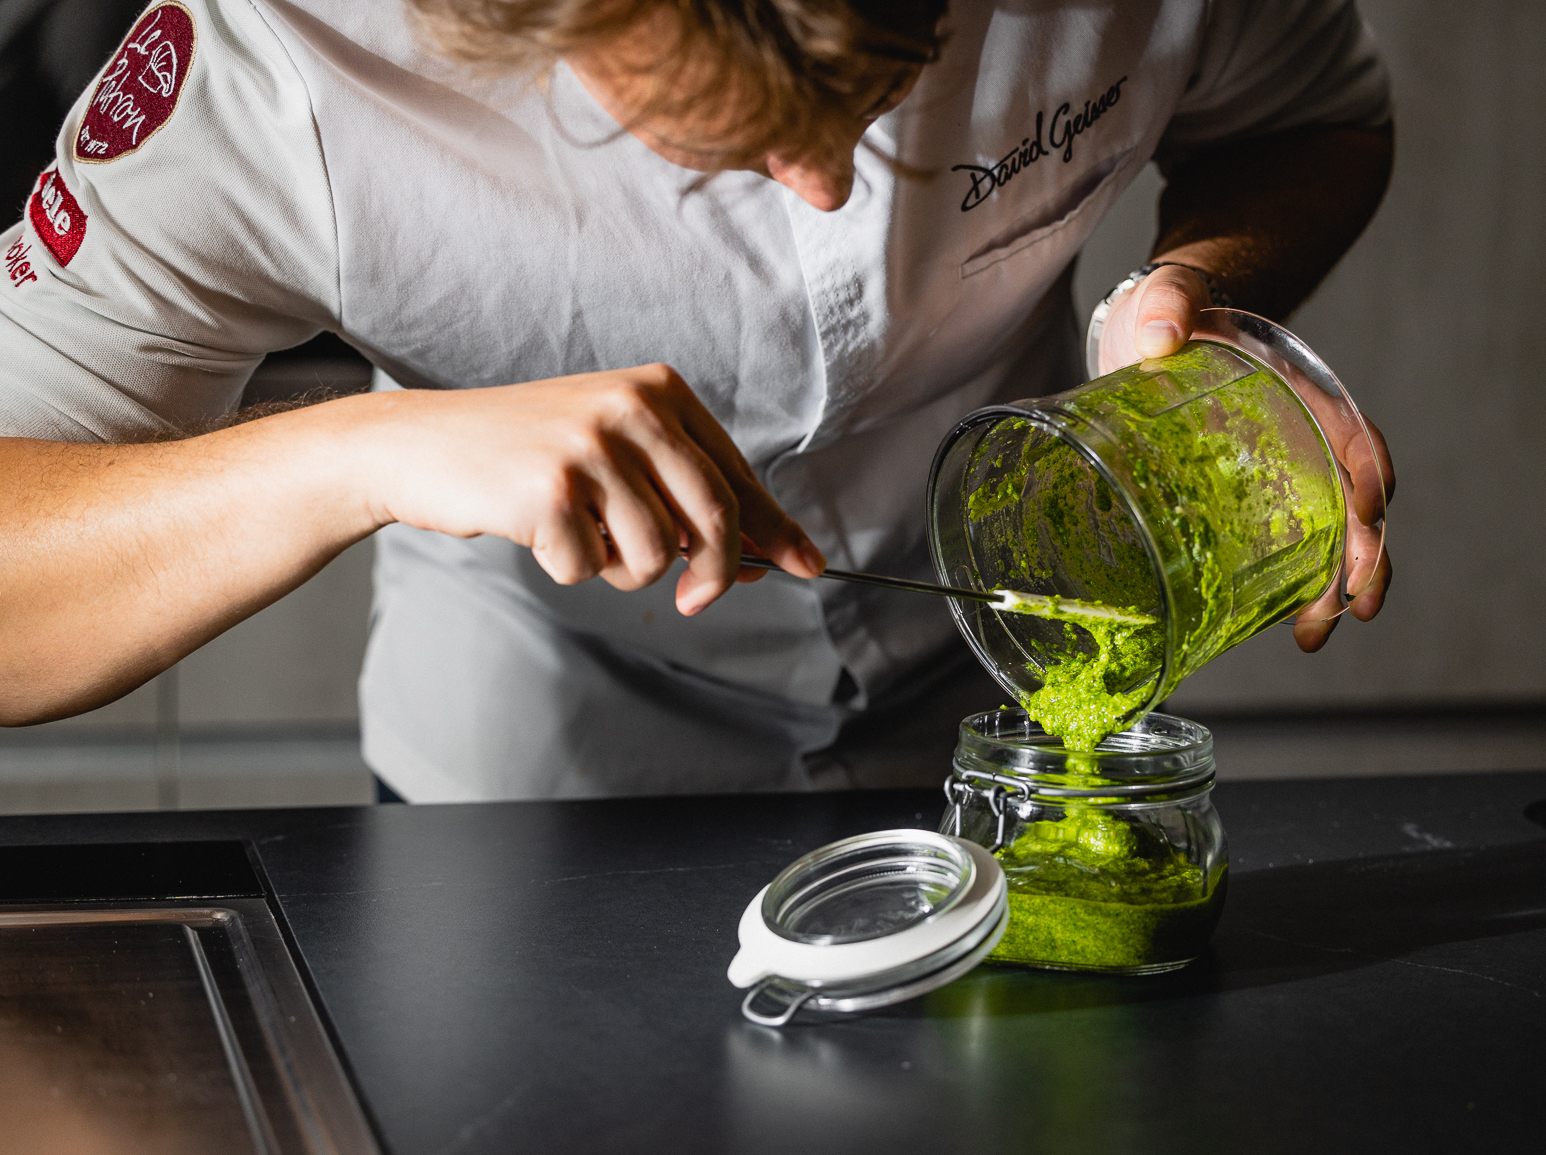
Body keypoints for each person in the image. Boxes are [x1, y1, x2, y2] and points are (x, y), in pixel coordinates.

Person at [0, 0, 1395, 801]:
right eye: (710, 141)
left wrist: (1206, 292)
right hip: (534, 776)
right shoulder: (278, 63)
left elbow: (1312, 118)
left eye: (887, 90)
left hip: (982, 711)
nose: (828, 190)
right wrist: (357, 458)